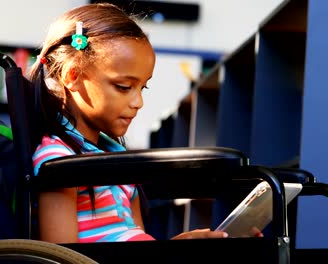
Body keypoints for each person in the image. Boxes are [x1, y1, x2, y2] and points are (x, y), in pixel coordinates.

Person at [28, 2, 231, 244]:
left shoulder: (119, 158)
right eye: (123, 87)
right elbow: (61, 257)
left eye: (142, 87)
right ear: (73, 76)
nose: (138, 102)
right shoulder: (58, 161)